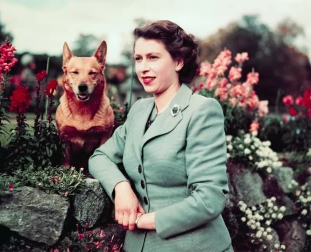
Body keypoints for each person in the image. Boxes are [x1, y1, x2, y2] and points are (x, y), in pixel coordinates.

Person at [89, 20, 233, 252]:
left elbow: (210, 198)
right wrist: (121, 187)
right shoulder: (139, 111)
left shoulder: (202, 110)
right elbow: (99, 157)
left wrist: (143, 220)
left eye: (153, 57)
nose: (142, 67)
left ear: (178, 61)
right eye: (138, 58)